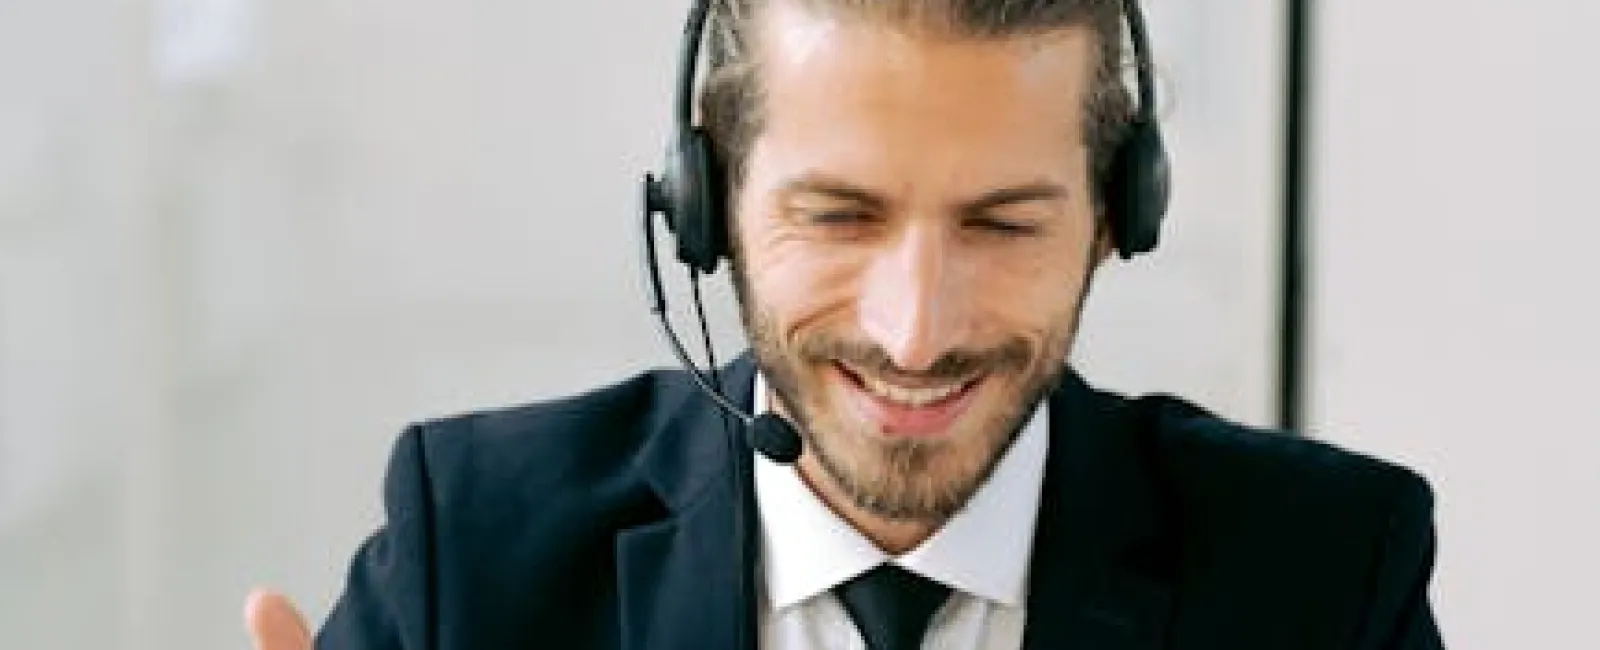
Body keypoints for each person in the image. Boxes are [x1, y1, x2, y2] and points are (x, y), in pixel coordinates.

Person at [245, 0, 1445, 648]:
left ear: (1116, 215)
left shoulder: (1326, 571)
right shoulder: (474, 548)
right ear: (706, 205)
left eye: (1003, 224)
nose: (915, 331)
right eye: (837, 217)